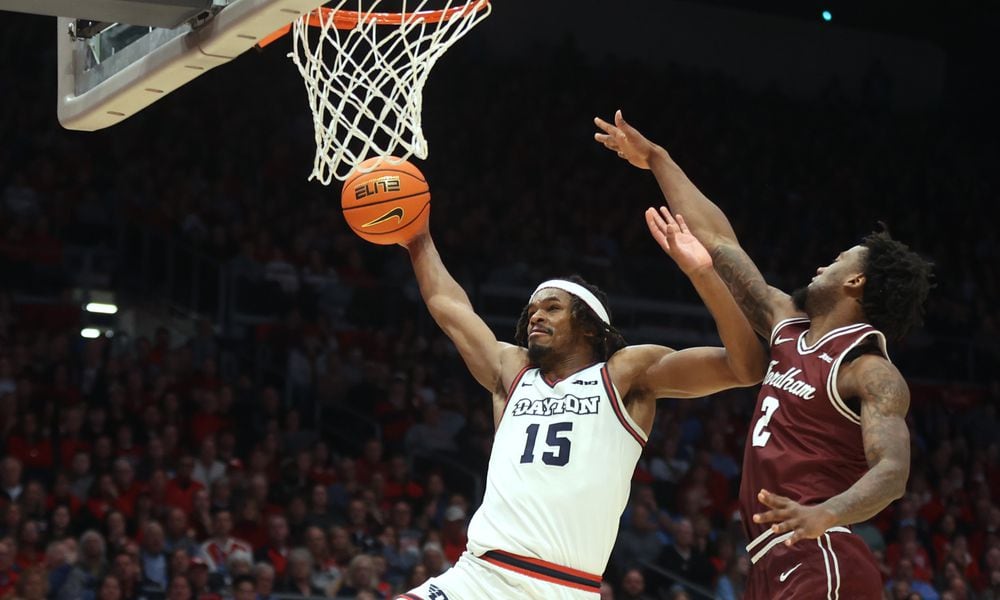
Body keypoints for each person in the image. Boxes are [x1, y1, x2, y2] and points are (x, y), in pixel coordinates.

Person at [595, 110, 934, 599]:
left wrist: (828, 513)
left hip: (821, 553)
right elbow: (718, 242)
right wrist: (657, 160)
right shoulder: (786, 324)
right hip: (767, 559)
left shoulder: (869, 370)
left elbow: (892, 472)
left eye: (837, 261)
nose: (822, 265)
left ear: (856, 282)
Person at [394, 200, 767, 600]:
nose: (536, 316)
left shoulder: (624, 375)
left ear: (590, 327)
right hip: (478, 576)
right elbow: (449, 307)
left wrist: (703, 273)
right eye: (532, 310)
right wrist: (418, 240)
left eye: (552, 308)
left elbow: (746, 368)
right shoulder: (512, 370)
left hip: (564, 588)